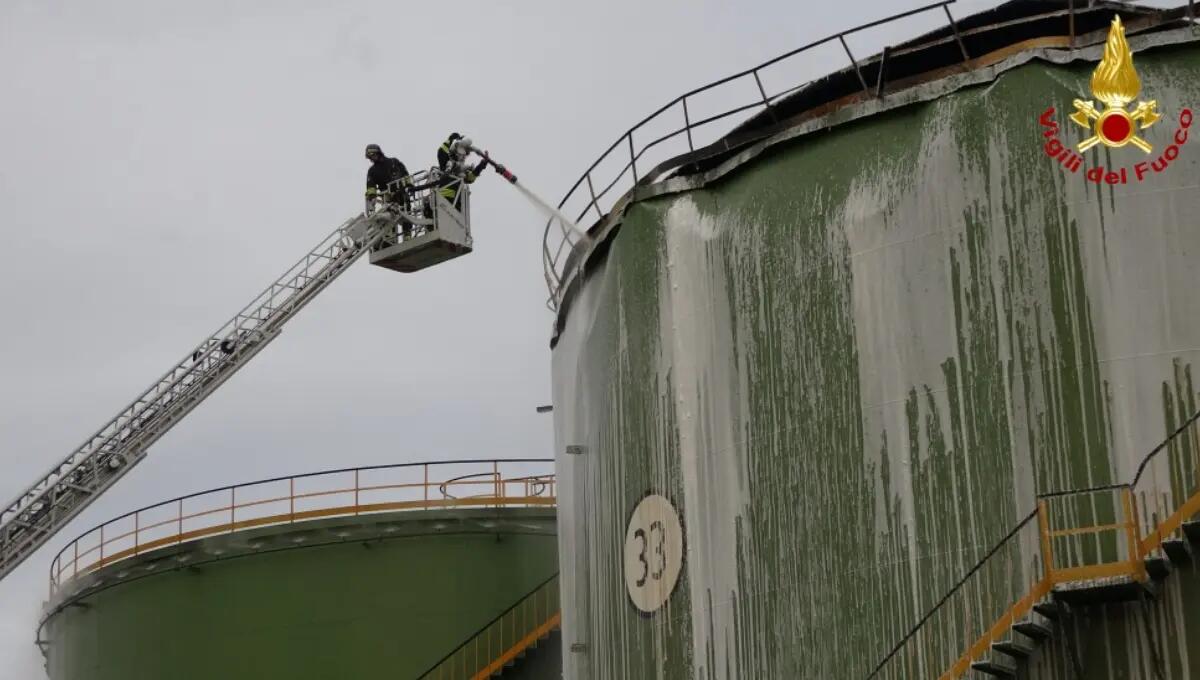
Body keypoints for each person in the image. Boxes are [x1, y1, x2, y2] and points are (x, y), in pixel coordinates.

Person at [435, 133, 488, 210]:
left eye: (464, 155)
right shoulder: (446, 162)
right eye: (461, 154)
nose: (463, 157)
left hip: (457, 205)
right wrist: (451, 139)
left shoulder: (461, 170)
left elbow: (471, 177)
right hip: (443, 200)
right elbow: (442, 151)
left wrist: (481, 165)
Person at [364, 143, 411, 214]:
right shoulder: (372, 171)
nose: (372, 157)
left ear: (379, 153)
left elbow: (405, 174)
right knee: (390, 220)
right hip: (388, 199)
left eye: (373, 155)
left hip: (402, 195)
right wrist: (372, 196)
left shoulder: (394, 162)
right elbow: (371, 185)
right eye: (370, 156)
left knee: (407, 218)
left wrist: (409, 185)